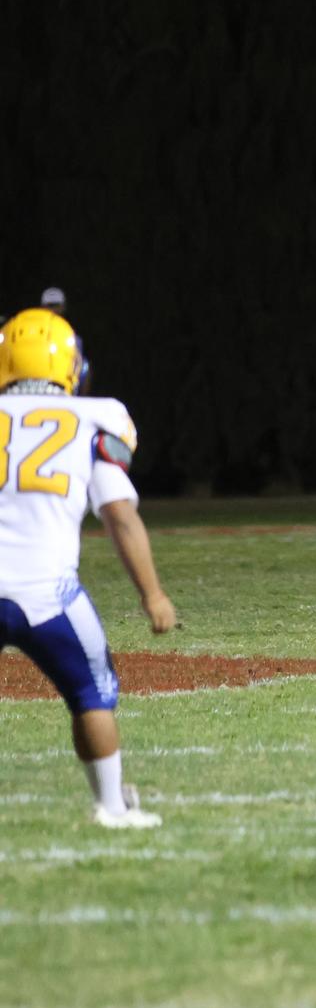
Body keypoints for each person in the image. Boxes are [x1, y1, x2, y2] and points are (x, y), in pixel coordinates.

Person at [0, 307, 177, 827]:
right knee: (91, 694)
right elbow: (120, 516)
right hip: (50, 596)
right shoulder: (95, 418)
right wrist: (152, 596)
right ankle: (112, 807)